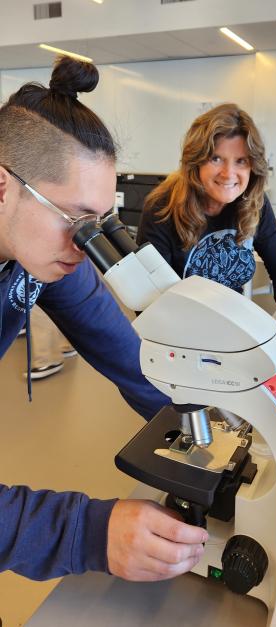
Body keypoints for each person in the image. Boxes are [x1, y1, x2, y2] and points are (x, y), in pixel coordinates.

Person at [0, 56, 207, 582]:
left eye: (97, 222)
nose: (83, 243)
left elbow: (126, 353)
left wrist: (213, 420)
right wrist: (88, 532)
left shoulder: (43, 255)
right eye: (74, 219)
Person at [137, 103, 276, 343]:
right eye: (216, 158)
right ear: (196, 162)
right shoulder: (162, 208)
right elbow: (150, 300)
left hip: (232, 332)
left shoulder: (254, 202)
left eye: (241, 161)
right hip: (176, 338)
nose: (228, 174)